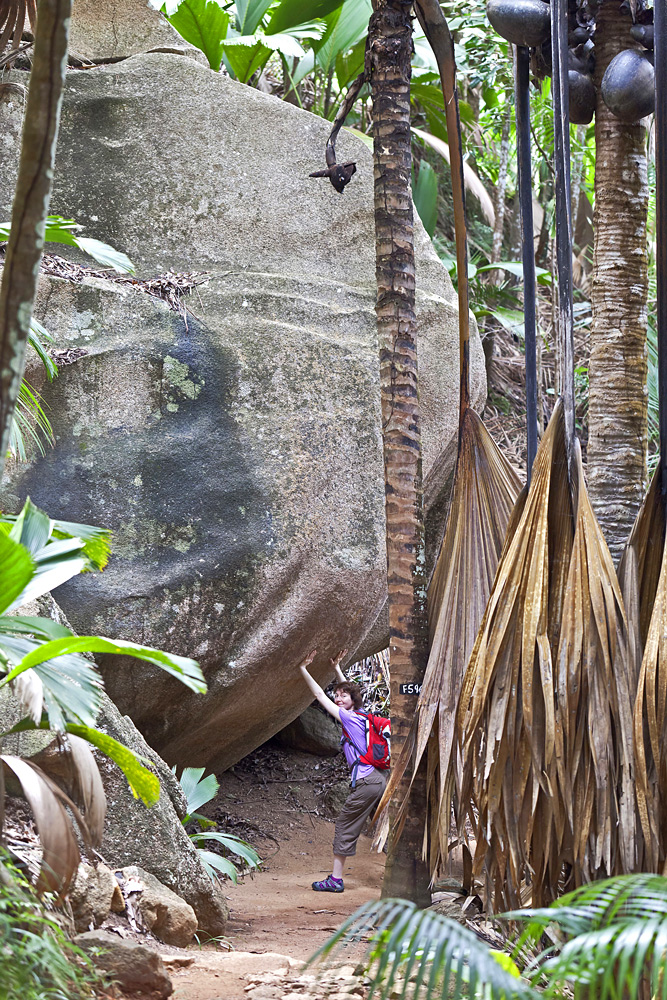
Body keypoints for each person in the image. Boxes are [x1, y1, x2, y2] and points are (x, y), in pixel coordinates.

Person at [298, 649, 388, 893]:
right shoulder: (361, 716)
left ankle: (336, 880)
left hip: (367, 781)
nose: (338, 699)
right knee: (382, 825)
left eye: (342, 696)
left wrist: (303, 669)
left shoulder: (349, 718)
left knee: (345, 824)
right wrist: (337, 669)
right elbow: (348, 691)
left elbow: (319, 694)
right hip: (378, 779)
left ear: (352, 700)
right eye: (336, 696)